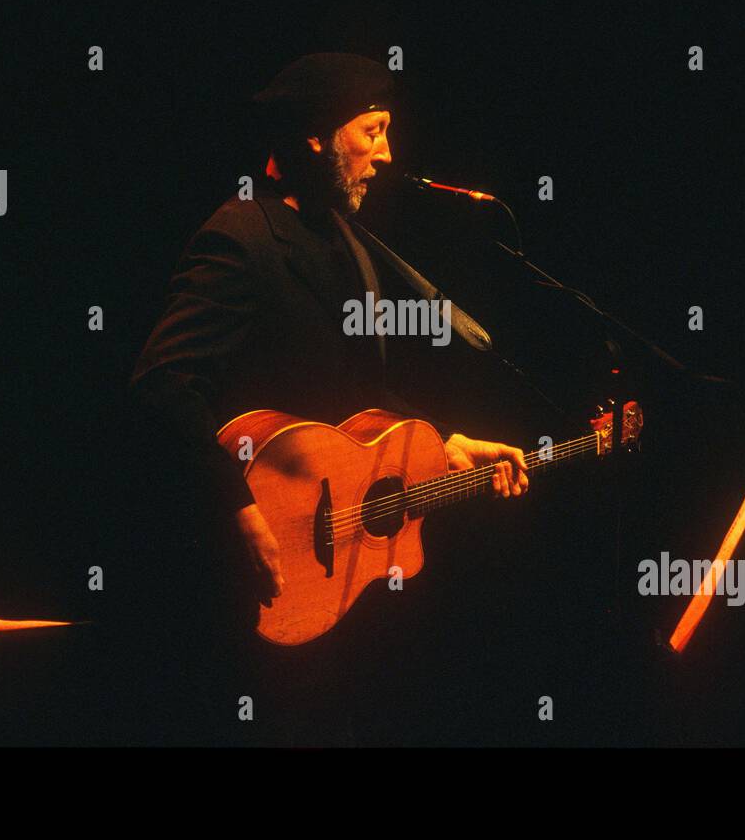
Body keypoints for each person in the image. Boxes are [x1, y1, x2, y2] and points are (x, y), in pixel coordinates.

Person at [128, 52, 529, 744]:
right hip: (255, 583)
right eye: (372, 130)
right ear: (316, 134)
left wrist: (443, 443)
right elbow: (161, 383)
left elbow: (359, 402)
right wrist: (236, 504)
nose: (386, 153)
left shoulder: (352, 245)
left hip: (339, 601)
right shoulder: (241, 236)